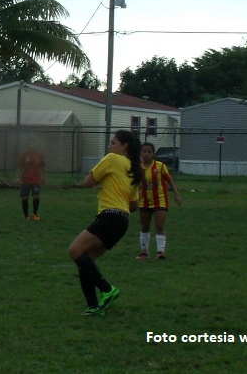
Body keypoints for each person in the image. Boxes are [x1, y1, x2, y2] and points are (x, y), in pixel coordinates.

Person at [68, 130, 142, 316]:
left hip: (109, 216)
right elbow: (134, 205)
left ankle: (107, 290)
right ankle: (94, 306)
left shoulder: (112, 158)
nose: (110, 146)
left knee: (75, 251)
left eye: (113, 142)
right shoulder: (133, 168)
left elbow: (88, 182)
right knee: (85, 261)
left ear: (124, 146)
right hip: (122, 221)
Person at [136, 143, 182, 260]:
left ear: (153, 154)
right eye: (144, 151)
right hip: (144, 201)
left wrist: (176, 194)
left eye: (149, 152)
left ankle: (160, 252)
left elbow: (170, 180)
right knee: (145, 226)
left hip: (160, 200)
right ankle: (144, 253)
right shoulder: (138, 169)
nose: (146, 154)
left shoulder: (160, 166)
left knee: (159, 225)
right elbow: (133, 185)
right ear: (141, 153)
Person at [16, 142, 46, 220]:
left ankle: (35, 214)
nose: (32, 145)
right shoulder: (24, 156)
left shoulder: (39, 156)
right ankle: (26, 216)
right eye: (30, 144)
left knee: (36, 197)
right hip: (25, 180)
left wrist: (43, 178)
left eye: (33, 144)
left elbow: (42, 168)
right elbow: (19, 167)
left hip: (36, 180)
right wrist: (18, 178)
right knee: (25, 198)